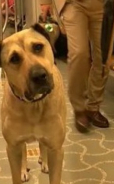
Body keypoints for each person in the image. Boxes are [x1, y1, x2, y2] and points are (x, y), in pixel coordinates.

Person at [40, 0, 110, 133]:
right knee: (79, 53)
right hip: (73, 4)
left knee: (103, 57)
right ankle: (79, 109)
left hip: (105, 5)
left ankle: (93, 107)